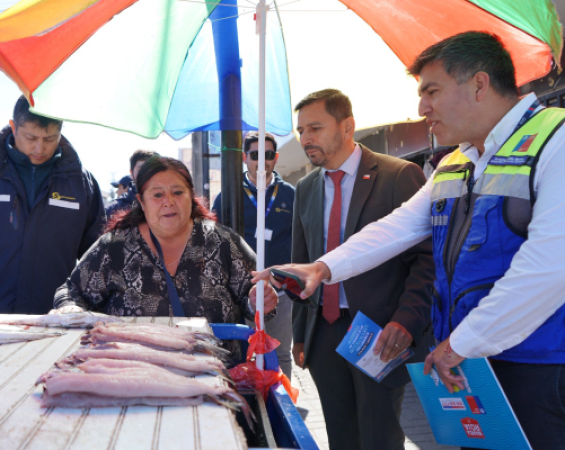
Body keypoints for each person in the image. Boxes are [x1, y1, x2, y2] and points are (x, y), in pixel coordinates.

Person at [256, 32, 565, 449]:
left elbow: (548, 269)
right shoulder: (457, 162)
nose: (422, 109)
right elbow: (397, 228)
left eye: (431, 92)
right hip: (473, 363)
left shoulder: (556, 141)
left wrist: (460, 343)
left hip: (540, 367)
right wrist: (322, 268)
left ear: (479, 84)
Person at [255, 89, 434, 450]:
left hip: (380, 333)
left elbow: (427, 260)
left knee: (379, 438)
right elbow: (303, 261)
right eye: (301, 130)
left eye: (315, 128)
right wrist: (302, 336)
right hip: (324, 333)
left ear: (347, 126)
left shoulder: (399, 175)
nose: (306, 138)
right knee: (340, 437)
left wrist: (406, 321)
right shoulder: (306, 188)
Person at [53, 156, 277, 356]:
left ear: (191, 195)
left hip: (214, 374)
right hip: (132, 374)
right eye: (157, 194)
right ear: (142, 201)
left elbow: (254, 296)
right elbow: (71, 292)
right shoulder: (113, 247)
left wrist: (259, 301)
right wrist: (70, 309)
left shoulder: (223, 242)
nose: (168, 201)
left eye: (178, 192)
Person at [0, 95, 105, 314]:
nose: (40, 148)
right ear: (13, 127)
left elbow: (98, 258)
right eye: (31, 137)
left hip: (52, 318)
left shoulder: (81, 183)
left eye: (50, 139)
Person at [212, 132, 295, 378]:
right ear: (245, 158)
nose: (262, 161)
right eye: (255, 155)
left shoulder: (290, 194)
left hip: (281, 292)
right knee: (244, 353)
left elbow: (302, 240)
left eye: (268, 155)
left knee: (280, 354)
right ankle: (252, 400)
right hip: (243, 293)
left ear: (276, 158)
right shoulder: (228, 195)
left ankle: (282, 398)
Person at [106, 150, 156, 220]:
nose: (146, 173)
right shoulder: (113, 210)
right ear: (131, 173)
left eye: (152, 169)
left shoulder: (169, 204)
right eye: (141, 169)